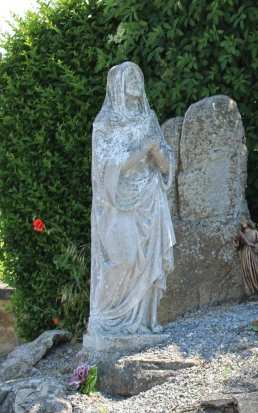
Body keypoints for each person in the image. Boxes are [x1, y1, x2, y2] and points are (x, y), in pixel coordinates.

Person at [88, 61, 176, 337]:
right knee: (122, 260)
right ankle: (104, 320)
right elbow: (107, 170)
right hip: (116, 206)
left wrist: (159, 155)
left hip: (150, 200)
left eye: (139, 76)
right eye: (130, 78)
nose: (137, 82)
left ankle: (139, 323)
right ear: (117, 87)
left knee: (146, 263)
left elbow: (166, 165)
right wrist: (143, 149)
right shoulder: (105, 125)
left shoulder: (149, 120)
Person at [234, 219, 258, 297]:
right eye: (242, 224)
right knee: (247, 271)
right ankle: (251, 291)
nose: (243, 225)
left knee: (257, 270)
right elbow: (237, 244)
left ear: (248, 223)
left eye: (245, 223)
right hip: (244, 253)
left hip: (253, 252)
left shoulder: (254, 232)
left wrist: (255, 245)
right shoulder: (242, 233)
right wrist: (237, 239)